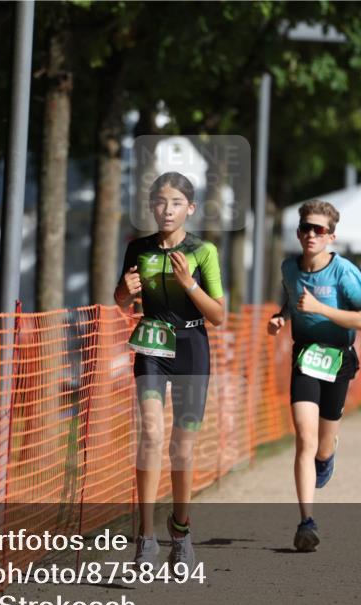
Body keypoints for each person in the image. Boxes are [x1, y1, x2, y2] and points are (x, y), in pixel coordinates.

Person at [113, 171, 225, 570]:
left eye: (176, 203)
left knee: (182, 447)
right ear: (151, 207)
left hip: (192, 347)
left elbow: (219, 315)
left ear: (190, 209)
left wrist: (188, 285)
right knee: (151, 433)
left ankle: (181, 530)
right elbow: (121, 300)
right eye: (160, 202)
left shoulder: (203, 251)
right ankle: (144, 538)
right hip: (152, 346)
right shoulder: (137, 249)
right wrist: (125, 291)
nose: (167, 209)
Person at [266, 200, 361, 552]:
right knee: (304, 441)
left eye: (319, 230)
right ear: (298, 233)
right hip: (306, 357)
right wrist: (282, 316)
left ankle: (329, 455)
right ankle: (306, 522)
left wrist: (322, 309)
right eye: (306, 228)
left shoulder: (345, 273)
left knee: (322, 447)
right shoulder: (289, 268)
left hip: (338, 359)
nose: (312, 234)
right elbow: (292, 297)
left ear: (331, 236)